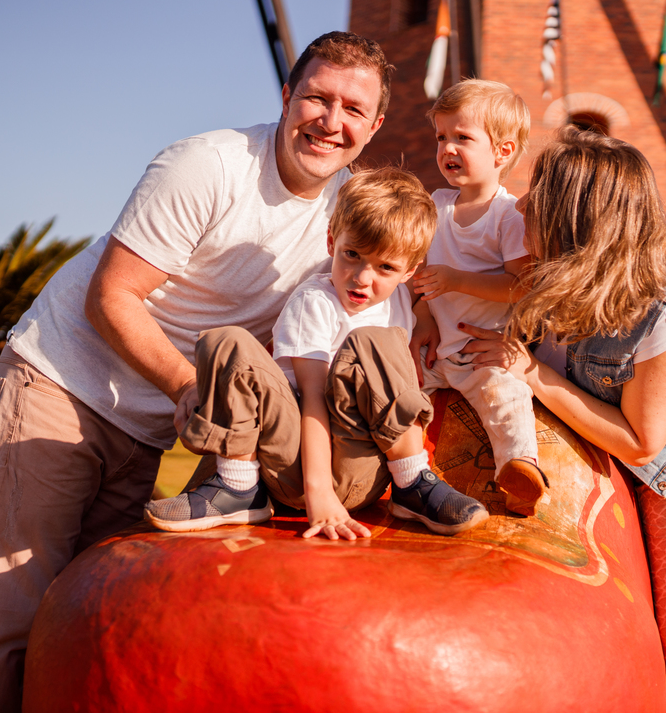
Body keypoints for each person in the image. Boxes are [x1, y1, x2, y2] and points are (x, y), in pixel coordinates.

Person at [0, 31, 393, 713]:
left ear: (375, 125)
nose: (332, 121)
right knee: (9, 607)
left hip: (151, 418)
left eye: (353, 109)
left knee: (86, 611)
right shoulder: (206, 165)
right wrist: (192, 392)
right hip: (64, 381)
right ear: (285, 98)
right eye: (317, 98)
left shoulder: (349, 215)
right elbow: (111, 295)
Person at [464, 126, 666, 713]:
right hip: (617, 428)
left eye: (539, 196)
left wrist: (532, 376)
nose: (521, 204)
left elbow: (644, 441)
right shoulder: (546, 268)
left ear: (577, 216)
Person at [146, 168, 489, 539]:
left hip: (363, 464)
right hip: (290, 462)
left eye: (385, 267)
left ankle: (412, 483)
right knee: (227, 340)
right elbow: (312, 399)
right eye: (352, 255)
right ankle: (239, 487)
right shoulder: (314, 302)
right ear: (331, 241)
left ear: (410, 271)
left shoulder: (404, 303)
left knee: (375, 341)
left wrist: (425, 316)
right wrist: (319, 493)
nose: (362, 277)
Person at [410, 79, 545, 515]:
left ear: (502, 151)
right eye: (441, 137)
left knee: (507, 397)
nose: (447, 148)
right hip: (435, 346)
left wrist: (455, 280)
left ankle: (520, 468)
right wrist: (424, 314)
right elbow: (424, 277)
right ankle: (397, 468)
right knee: (399, 394)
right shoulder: (436, 205)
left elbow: (520, 286)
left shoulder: (507, 215)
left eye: (462, 138)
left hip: (479, 349)